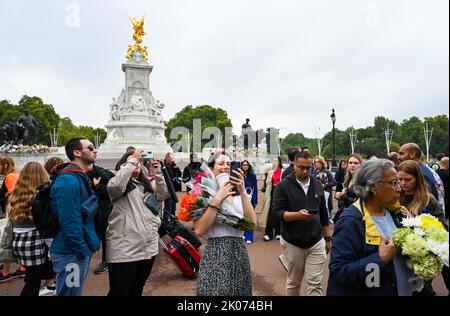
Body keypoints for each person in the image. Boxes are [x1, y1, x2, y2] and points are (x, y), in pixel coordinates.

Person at [328, 159, 414, 296]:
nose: (399, 188)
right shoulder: (351, 221)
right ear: (373, 187)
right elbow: (340, 272)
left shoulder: (396, 213)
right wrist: (379, 259)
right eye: (393, 183)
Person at [106, 149, 169, 296]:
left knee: (136, 290)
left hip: (148, 247)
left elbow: (163, 194)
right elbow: (116, 186)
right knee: (119, 292)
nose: (136, 165)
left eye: (139, 162)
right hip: (125, 249)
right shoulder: (117, 185)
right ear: (124, 165)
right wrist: (132, 161)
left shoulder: (145, 185)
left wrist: (158, 171)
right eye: (132, 162)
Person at [193, 151, 256, 296]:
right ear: (211, 168)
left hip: (238, 252)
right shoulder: (202, 194)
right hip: (215, 253)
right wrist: (216, 200)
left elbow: (251, 224)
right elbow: (199, 230)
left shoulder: (239, 192)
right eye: (220, 164)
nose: (225, 167)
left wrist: (242, 190)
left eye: (229, 164)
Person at [272, 151, 332, 296]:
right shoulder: (283, 185)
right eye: (301, 167)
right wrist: (297, 215)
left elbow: (323, 212)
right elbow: (276, 213)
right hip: (293, 241)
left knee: (315, 283)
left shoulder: (317, 184)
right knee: (294, 282)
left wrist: (328, 238)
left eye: (308, 168)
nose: (305, 171)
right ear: (294, 166)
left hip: (316, 241)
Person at [50, 137, 100, 296]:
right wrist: (81, 250)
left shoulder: (77, 177)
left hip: (74, 250)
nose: (95, 151)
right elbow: (69, 221)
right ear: (77, 153)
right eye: (91, 148)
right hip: (71, 252)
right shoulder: (68, 180)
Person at [398, 160, 447, 296]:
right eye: (399, 179)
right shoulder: (394, 197)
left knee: (421, 290)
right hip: (398, 256)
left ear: (417, 179)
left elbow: (443, 228)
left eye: (408, 179)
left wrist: (414, 220)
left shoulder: (428, 200)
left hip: (421, 257)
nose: (403, 183)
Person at [8, 162, 56, 296]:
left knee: (33, 278)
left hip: (19, 243)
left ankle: (49, 287)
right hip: (36, 243)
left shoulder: (17, 195)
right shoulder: (42, 195)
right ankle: (49, 288)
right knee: (35, 281)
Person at [87, 163, 115, 275]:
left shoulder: (101, 173)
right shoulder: (84, 173)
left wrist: (97, 186)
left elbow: (110, 191)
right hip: (94, 210)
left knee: (104, 237)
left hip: (103, 210)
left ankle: (106, 261)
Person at [0, 156, 24, 282]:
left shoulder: (10, 177)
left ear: (4, 165)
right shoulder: (16, 174)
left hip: (11, 214)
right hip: (18, 213)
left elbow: (13, 195)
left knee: (5, 242)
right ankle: (23, 266)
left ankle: (5, 272)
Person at [398, 143, 444, 208]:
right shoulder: (425, 170)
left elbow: (427, 205)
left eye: (401, 154)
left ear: (412, 154)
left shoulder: (422, 173)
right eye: (400, 179)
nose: (398, 157)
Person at [333, 154, 363, 221]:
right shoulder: (347, 179)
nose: (352, 165)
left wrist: (343, 196)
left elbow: (358, 203)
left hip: (356, 217)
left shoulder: (362, 181)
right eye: (350, 163)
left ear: (361, 165)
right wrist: (339, 195)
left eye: (356, 163)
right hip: (345, 214)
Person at [261, 157, 284, 241]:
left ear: (279, 162)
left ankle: (278, 233)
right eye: (273, 161)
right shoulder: (270, 172)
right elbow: (266, 184)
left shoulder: (283, 171)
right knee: (270, 213)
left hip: (280, 193)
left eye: (276, 161)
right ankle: (268, 234)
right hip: (272, 192)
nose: (274, 162)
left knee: (279, 212)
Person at [313, 156, 336, 222]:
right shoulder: (314, 172)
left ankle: (329, 218)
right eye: (315, 162)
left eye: (318, 162)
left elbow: (334, 182)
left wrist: (324, 185)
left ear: (322, 163)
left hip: (326, 191)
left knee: (327, 204)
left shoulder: (327, 171)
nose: (316, 164)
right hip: (317, 191)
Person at [241, 160, 258, 244]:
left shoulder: (252, 176)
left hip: (250, 199)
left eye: (246, 165)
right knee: (242, 217)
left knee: (250, 218)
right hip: (241, 199)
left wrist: (255, 201)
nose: (245, 166)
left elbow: (255, 189)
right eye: (243, 165)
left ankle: (249, 237)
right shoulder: (239, 175)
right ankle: (243, 233)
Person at [163, 153, 182, 222]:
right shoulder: (164, 167)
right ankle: (166, 219)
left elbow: (179, 174)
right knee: (168, 204)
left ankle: (172, 217)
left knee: (173, 203)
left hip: (173, 188)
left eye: (172, 158)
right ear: (167, 158)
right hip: (168, 188)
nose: (172, 160)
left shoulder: (173, 166)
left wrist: (176, 167)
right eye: (170, 158)